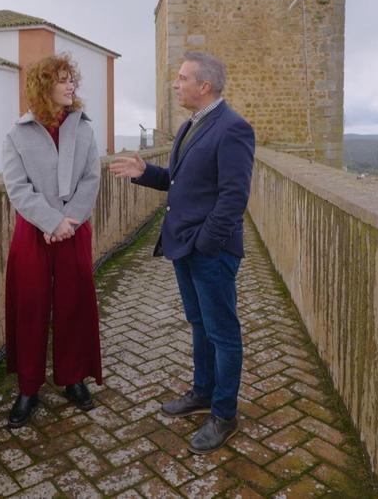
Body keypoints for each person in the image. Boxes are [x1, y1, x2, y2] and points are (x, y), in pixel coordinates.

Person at [110, 50, 255, 455]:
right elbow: (181, 182)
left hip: (209, 250)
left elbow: (233, 197)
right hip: (185, 245)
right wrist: (146, 174)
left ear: (204, 85)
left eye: (182, 78)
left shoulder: (233, 128)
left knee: (223, 332)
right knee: (198, 323)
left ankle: (224, 414)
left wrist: (207, 244)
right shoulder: (191, 125)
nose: (176, 84)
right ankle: (203, 392)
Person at [1, 53, 103, 429]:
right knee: (31, 308)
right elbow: (17, 187)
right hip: (33, 232)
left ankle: (73, 378)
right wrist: (49, 220)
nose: (70, 85)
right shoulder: (17, 135)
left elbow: (91, 179)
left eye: (71, 79)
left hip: (74, 229)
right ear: (45, 87)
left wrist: (67, 223)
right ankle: (28, 388)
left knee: (73, 304)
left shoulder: (85, 129)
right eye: (62, 80)